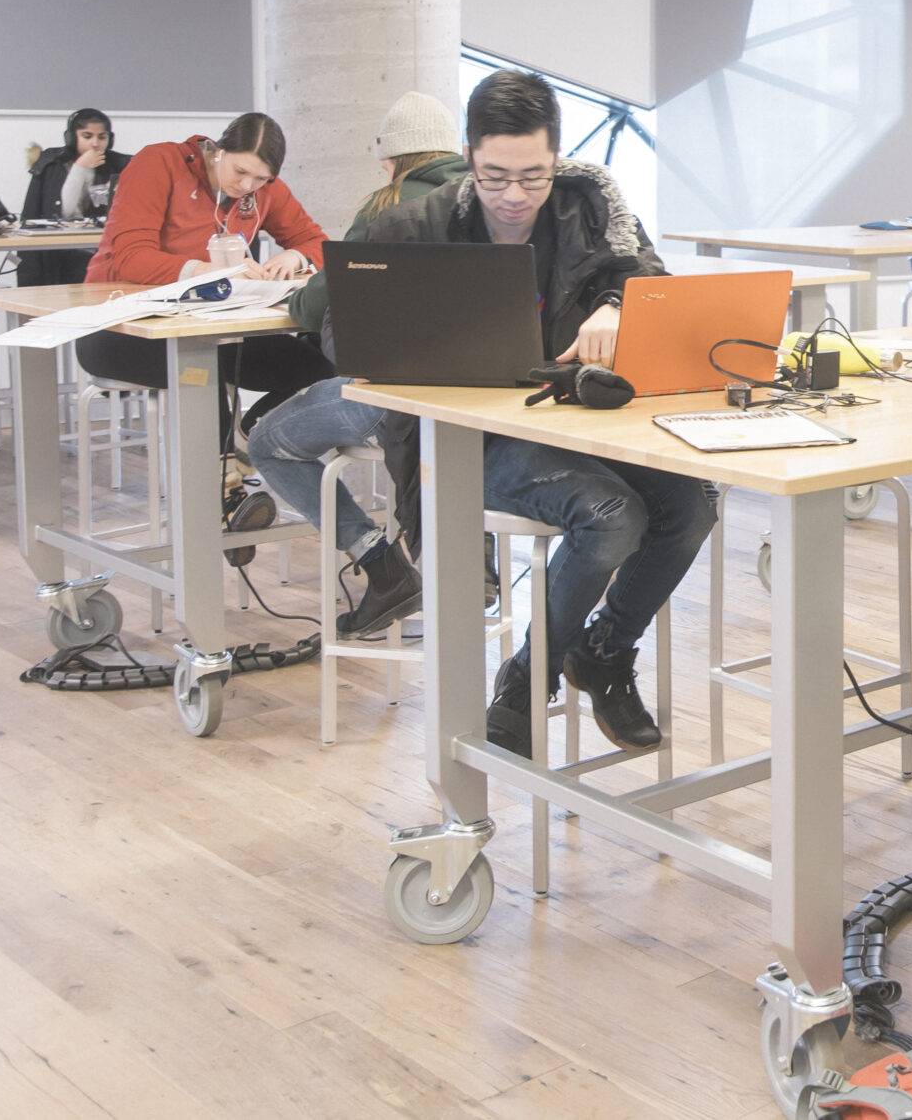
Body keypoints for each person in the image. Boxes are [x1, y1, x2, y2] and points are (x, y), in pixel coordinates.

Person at [252, 73, 711, 755]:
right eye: (496, 176)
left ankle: (604, 650)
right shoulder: (412, 225)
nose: (516, 195)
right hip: (465, 440)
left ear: (557, 158)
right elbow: (341, 336)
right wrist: (425, 338)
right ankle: (527, 682)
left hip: (569, 423)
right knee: (615, 514)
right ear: (468, 157)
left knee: (693, 499)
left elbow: (648, 279)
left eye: (534, 175)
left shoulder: (589, 210)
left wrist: (618, 305)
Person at [77, 112, 333, 451]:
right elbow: (131, 258)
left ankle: (252, 435)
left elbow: (316, 241)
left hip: (209, 331)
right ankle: (225, 487)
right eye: (240, 172)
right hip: (118, 327)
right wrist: (212, 271)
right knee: (199, 368)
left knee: (320, 367)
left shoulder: (263, 189)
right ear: (218, 151)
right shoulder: (159, 163)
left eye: (260, 178)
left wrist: (295, 256)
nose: (246, 186)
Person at [288, 91, 468, 337]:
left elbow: (314, 309)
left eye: (386, 167)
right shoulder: (479, 197)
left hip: (400, 360)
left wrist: (295, 297)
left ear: (396, 160)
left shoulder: (387, 205)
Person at [17, 107, 130, 287]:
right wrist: (80, 169)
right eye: (87, 136)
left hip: (100, 248)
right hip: (60, 251)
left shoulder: (119, 165)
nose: (95, 143)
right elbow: (67, 212)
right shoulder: (52, 165)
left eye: (102, 137)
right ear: (71, 137)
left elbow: (102, 210)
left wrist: (110, 190)